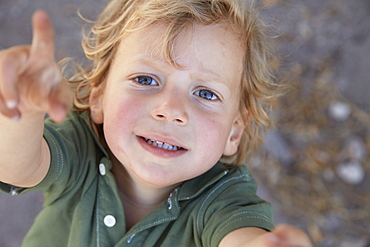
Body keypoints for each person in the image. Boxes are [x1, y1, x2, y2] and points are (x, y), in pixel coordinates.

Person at [0, 0, 313, 246]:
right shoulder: (80, 145)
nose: (170, 110)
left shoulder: (223, 198)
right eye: (145, 79)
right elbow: (18, 165)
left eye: (205, 93)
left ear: (234, 131)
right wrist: (20, 110)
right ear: (99, 98)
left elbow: (244, 236)